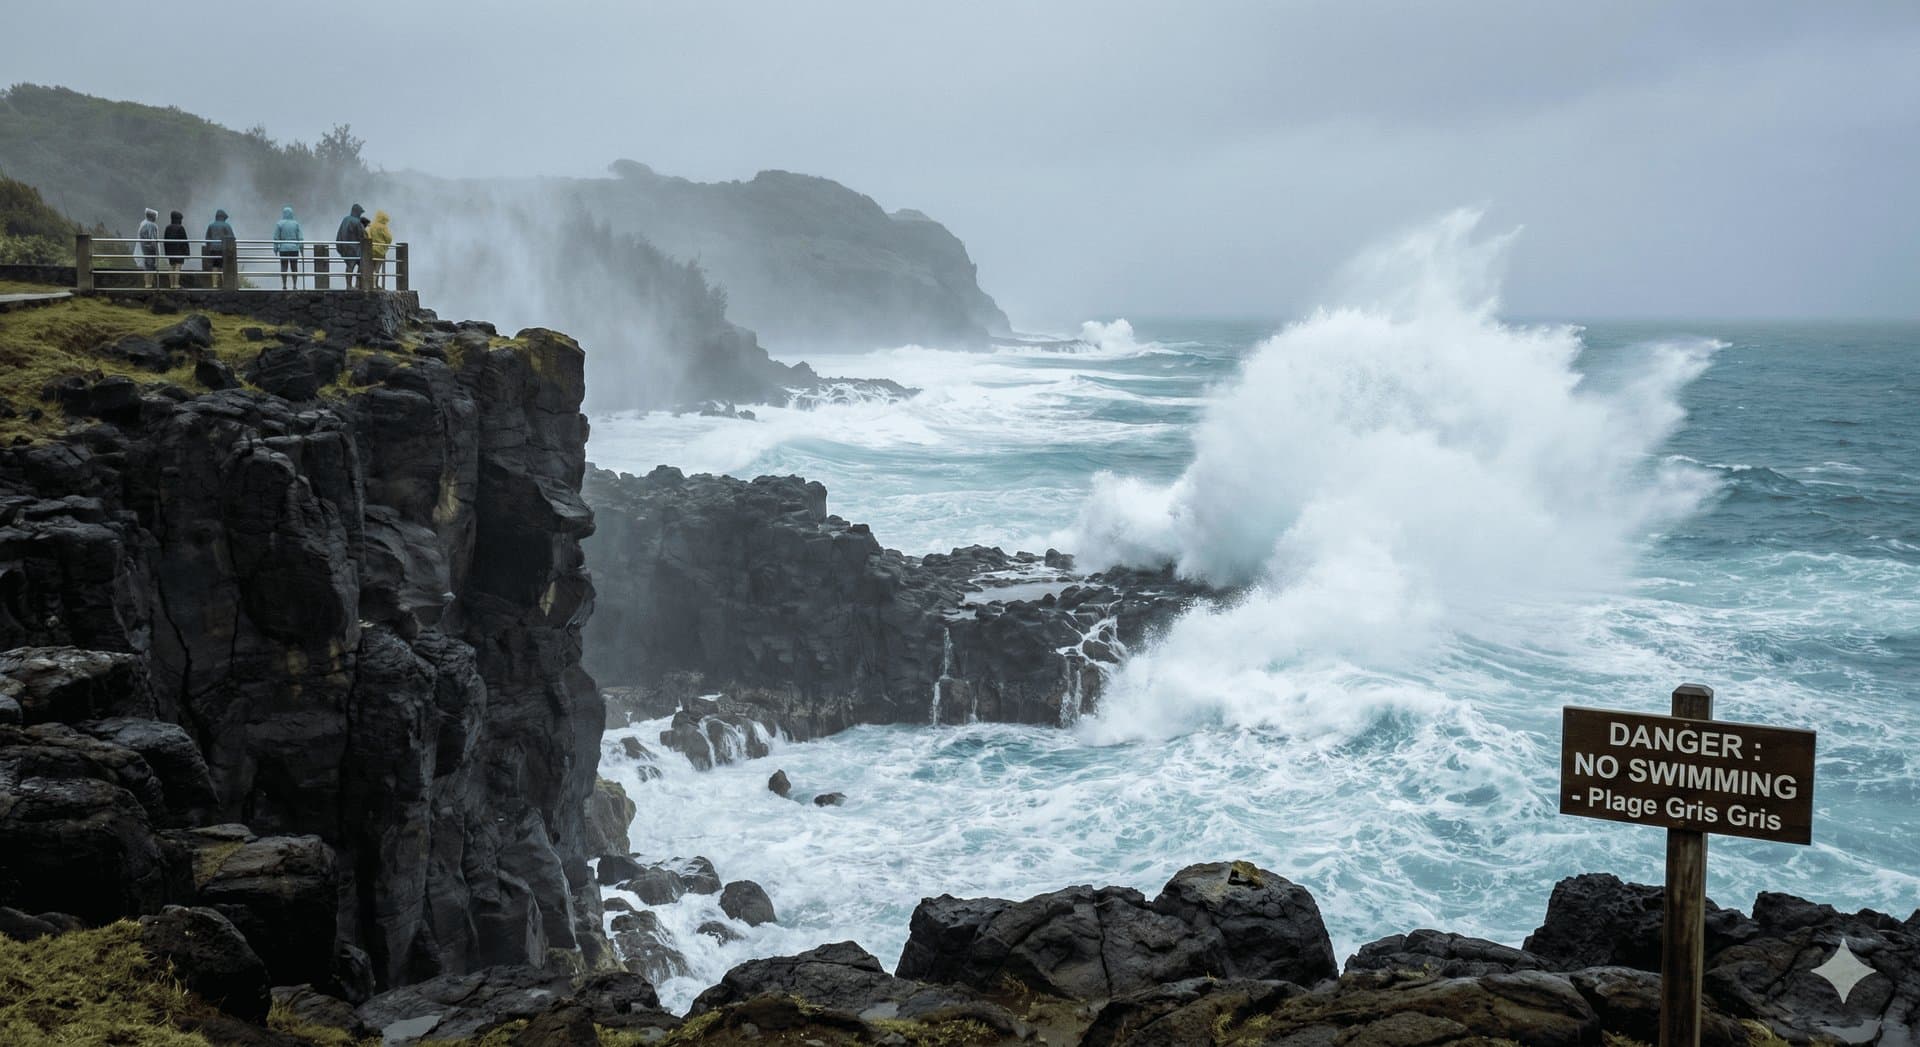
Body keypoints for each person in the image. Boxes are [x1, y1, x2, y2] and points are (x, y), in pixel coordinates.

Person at [202, 208, 235, 289]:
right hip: (224, 249)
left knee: (215, 266)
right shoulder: (226, 225)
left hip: (213, 249)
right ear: (223, 217)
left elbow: (207, 238)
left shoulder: (211, 225)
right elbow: (232, 238)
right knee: (224, 267)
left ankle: (214, 284)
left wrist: (210, 247)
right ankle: (224, 284)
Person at [334, 203, 366, 286]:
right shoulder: (357, 222)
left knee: (349, 266)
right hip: (354, 248)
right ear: (357, 212)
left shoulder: (345, 219)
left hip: (344, 246)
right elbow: (361, 236)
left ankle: (348, 285)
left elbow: (340, 233)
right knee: (361, 265)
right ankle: (357, 284)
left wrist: (340, 246)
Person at [273, 206, 303, 289]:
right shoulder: (296, 224)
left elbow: (276, 238)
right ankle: (294, 285)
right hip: (294, 248)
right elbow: (300, 237)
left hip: (283, 249)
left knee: (284, 266)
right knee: (294, 267)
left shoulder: (279, 224)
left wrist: (275, 249)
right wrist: (301, 249)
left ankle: (284, 285)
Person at [162, 211, 190, 289]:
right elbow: (184, 241)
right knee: (178, 266)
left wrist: (166, 252)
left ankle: (171, 284)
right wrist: (187, 252)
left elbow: (165, 241)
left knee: (171, 266)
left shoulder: (168, 227)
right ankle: (176, 284)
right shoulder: (180, 228)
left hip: (170, 250)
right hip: (179, 250)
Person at [367, 209, 394, 289]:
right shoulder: (383, 227)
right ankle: (375, 285)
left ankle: (369, 284)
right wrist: (385, 245)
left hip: (371, 249)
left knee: (370, 267)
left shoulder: (371, 226)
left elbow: (368, 235)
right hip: (380, 250)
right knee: (377, 268)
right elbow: (389, 238)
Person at [137, 208, 160, 288]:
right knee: (151, 266)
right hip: (150, 250)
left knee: (147, 266)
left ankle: (147, 284)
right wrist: (157, 252)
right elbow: (154, 240)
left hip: (144, 248)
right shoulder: (152, 225)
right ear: (153, 216)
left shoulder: (143, 224)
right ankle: (149, 284)